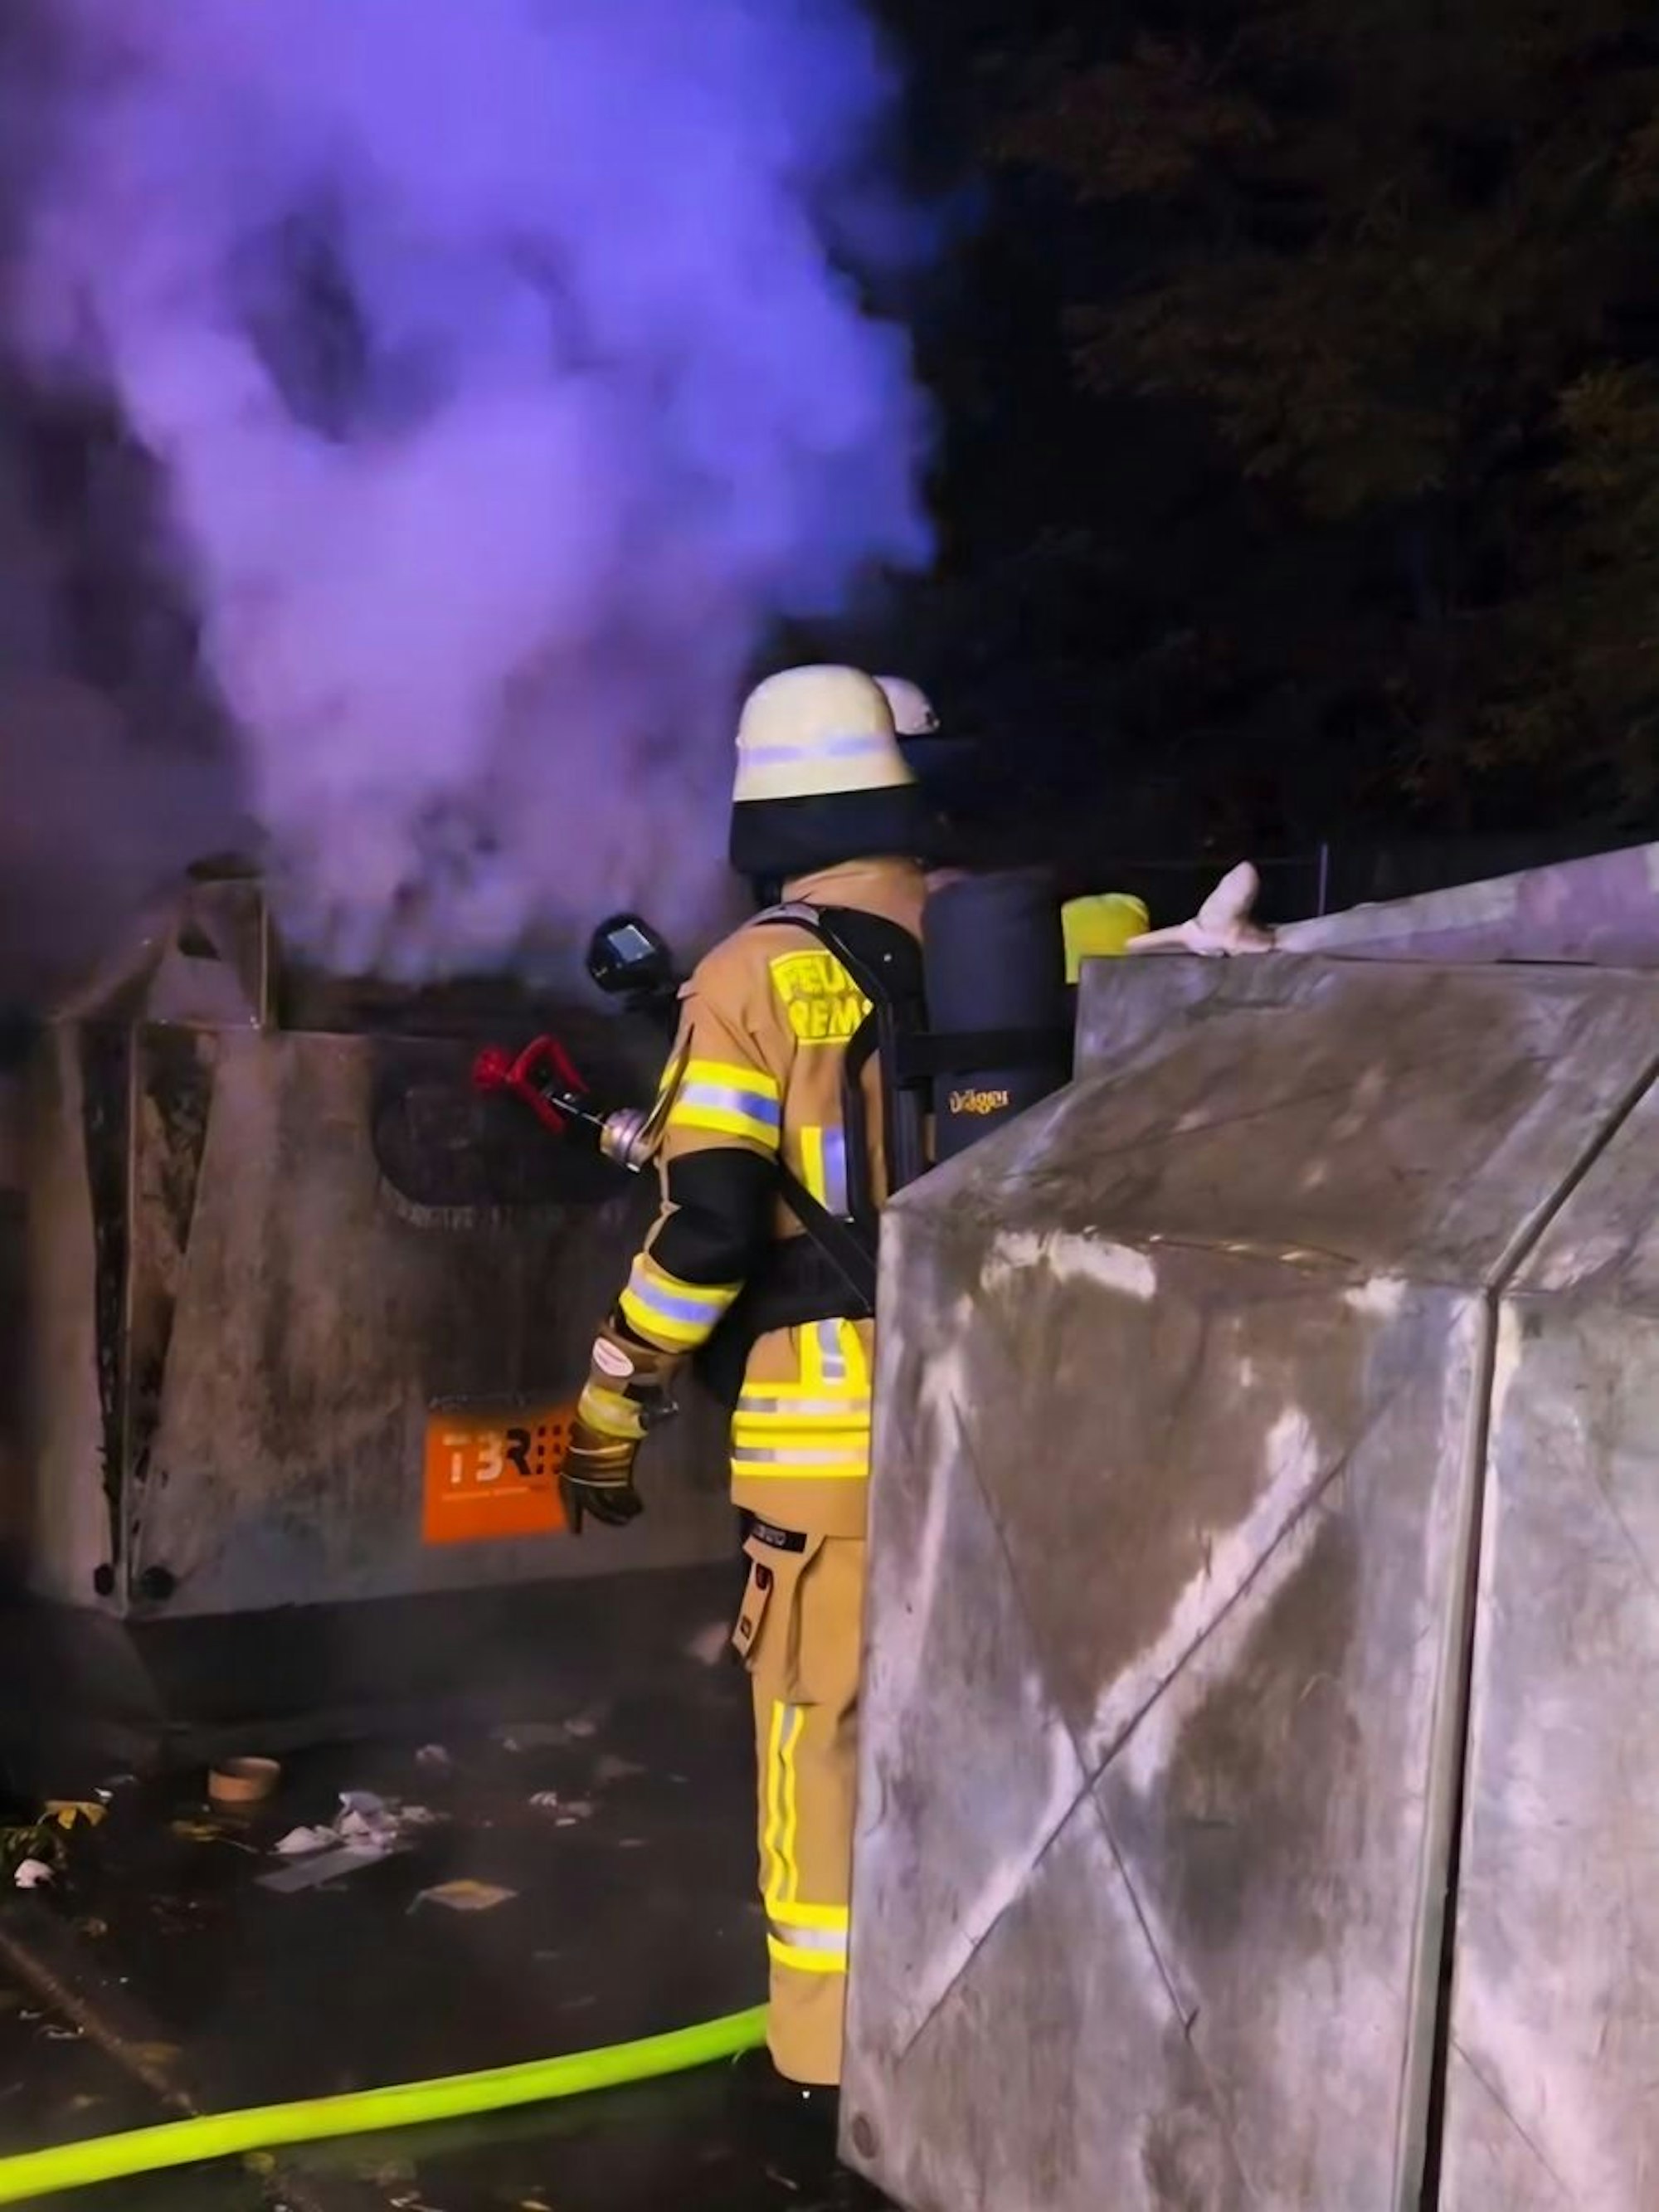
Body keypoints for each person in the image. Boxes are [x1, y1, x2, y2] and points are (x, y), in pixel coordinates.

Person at [559, 664, 931, 2115]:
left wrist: (614, 1390)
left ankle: (832, 2069)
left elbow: (709, 1226)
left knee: (817, 1733)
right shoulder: (996, 937)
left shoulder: (750, 972)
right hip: (997, 1414)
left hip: (826, 1447)